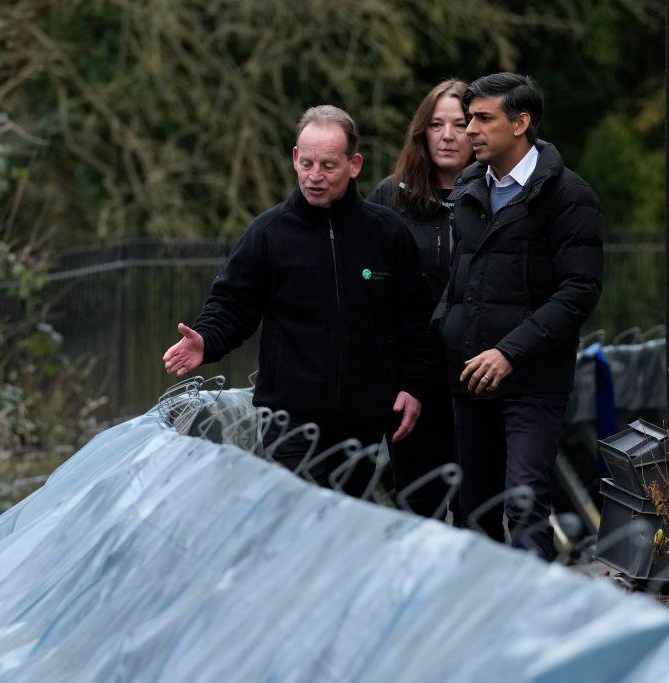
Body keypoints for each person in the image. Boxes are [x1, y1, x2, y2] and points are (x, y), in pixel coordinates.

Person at [162, 105, 433, 498]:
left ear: (354, 164)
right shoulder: (269, 233)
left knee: (342, 529)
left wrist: (414, 385)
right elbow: (233, 303)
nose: (315, 176)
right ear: (294, 159)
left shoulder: (386, 233)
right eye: (306, 163)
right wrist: (205, 340)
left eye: (328, 165)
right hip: (288, 417)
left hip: (363, 421)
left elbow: (414, 318)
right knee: (296, 524)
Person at [432, 73, 603, 560]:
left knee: (525, 505)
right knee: (472, 510)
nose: (469, 132)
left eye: (483, 119)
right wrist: (446, 332)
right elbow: (460, 279)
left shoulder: (569, 196)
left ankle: (541, 625)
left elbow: (579, 292)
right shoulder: (467, 189)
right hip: (467, 379)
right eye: (469, 121)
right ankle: (479, 624)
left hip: (532, 381)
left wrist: (510, 352)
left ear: (521, 122)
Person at [368, 79, 473, 519]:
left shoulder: (504, 198)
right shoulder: (390, 198)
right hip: (412, 382)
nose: (447, 135)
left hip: (479, 377)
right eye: (436, 124)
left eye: (460, 124)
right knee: (418, 508)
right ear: (422, 131)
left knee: (480, 511)